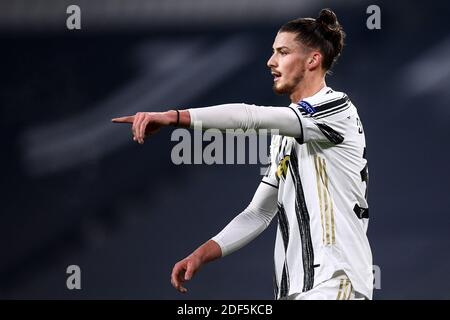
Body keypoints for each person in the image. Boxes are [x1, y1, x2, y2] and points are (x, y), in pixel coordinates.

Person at [112, 8, 373, 300]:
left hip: (335, 280)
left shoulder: (335, 108)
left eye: (283, 52)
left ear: (313, 60)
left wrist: (174, 117)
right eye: (273, 52)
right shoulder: (286, 135)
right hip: (297, 289)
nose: (271, 61)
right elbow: (259, 212)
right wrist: (202, 253)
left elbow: (251, 117)